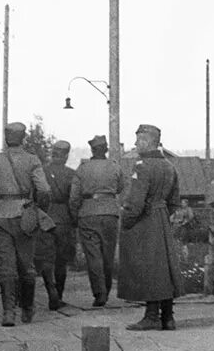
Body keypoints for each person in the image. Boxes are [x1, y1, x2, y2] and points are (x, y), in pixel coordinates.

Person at [0, 121, 50, 326]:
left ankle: (8, 313)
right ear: (23, 138)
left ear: (7, 138)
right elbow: (44, 190)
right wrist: (39, 211)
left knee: (6, 266)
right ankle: (27, 309)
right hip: (25, 215)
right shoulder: (32, 161)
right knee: (27, 265)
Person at [118, 123, 184, 330]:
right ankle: (168, 317)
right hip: (162, 218)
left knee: (149, 269)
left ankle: (152, 316)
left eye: (138, 139)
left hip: (145, 220)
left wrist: (126, 221)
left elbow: (135, 202)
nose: (136, 143)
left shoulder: (142, 166)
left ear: (148, 142)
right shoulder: (169, 166)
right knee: (163, 268)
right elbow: (174, 200)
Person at [70, 135, 124, 307]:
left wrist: (74, 214)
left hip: (88, 213)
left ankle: (99, 293)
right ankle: (106, 290)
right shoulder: (115, 167)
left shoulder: (82, 168)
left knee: (93, 256)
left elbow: (74, 197)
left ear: (92, 150)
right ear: (106, 149)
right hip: (110, 213)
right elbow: (120, 187)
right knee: (108, 254)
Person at [34, 140, 77, 311]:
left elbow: (37, 194)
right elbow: (73, 199)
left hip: (45, 217)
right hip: (64, 219)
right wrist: (75, 220)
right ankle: (58, 295)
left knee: (46, 258)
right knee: (61, 260)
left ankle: (50, 290)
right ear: (66, 155)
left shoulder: (42, 171)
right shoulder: (71, 174)